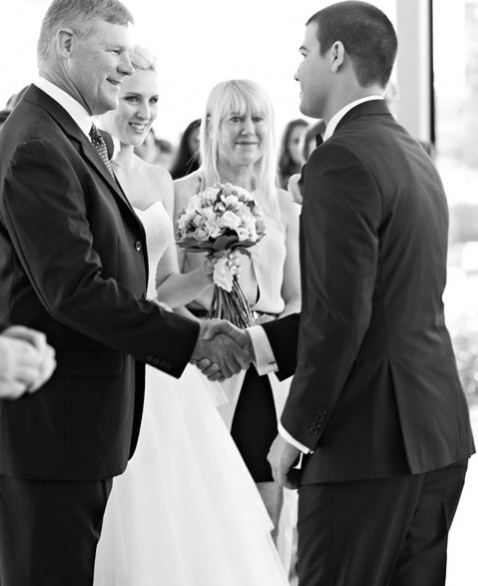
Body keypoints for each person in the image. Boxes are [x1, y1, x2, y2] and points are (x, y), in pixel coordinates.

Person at [204, 3, 476, 585]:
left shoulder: (340, 160)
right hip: (436, 437)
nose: (296, 71)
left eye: (304, 53)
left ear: (336, 55)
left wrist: (293, 434)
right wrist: (254, 343)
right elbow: (380, 307)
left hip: (366, 446)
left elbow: (339, 317)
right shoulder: (414, 156)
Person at [0, 1, 238, 584]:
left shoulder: (67, 135)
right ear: (66, 43)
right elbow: (74, 288)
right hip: (51, 427)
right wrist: (190, 339)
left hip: (73, 426)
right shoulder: (38, 143)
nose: (124, 69)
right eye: (113, 51)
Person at [92, 46, 289, 586]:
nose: (144, 112)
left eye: (153, 100)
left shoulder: (156, 180)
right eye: (133, 98)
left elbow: (165, 289)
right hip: (114, 350)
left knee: (187, 513)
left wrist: (212, 269)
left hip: (163, 361)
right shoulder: (88, 172)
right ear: (106, 93)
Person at [174, 79, 301, 543]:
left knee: (265, 511)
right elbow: (159, 290)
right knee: (202, 511)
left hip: (264, 371)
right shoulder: (179, 194)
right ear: (211, 128)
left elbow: (299, 297)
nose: (249, 129)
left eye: (258, 118)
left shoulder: (285, 204)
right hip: (202, 364)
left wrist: (258, 345)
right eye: (235, 118)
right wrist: (202, 342)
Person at [278, 118, 309, 189]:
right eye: (297, 141)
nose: (303, 146)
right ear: (286, 147)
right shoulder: (276, 183)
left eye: (306, 140)